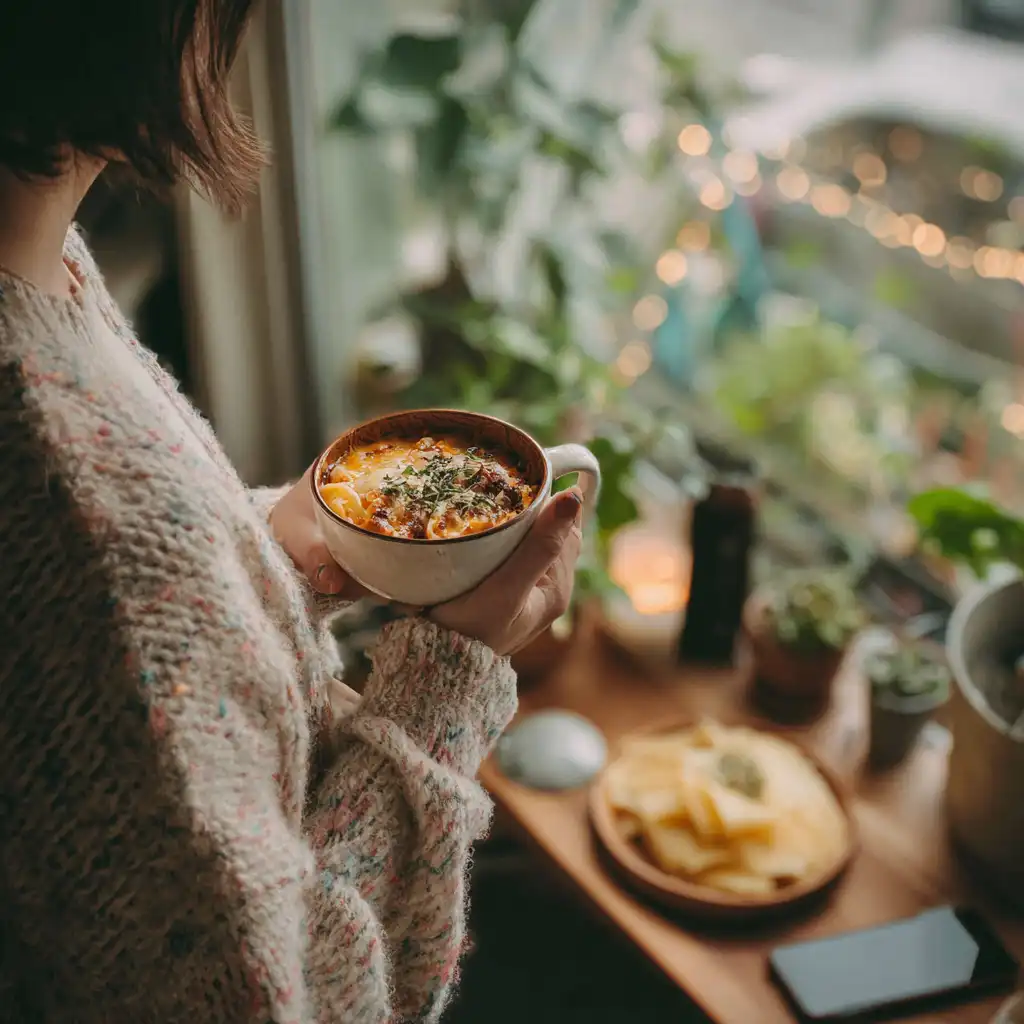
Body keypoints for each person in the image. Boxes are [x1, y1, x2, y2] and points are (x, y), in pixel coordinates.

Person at [0, 2, 583, 1021]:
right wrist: (446, 683)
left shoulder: (39, 269)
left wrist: (261, 564)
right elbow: (295, 1000)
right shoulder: (75, 507)